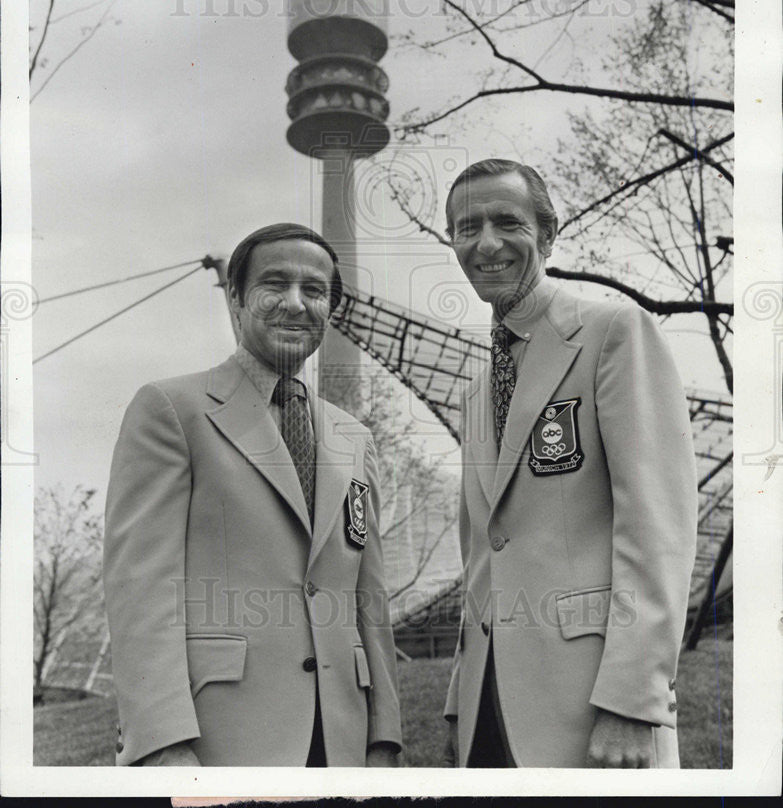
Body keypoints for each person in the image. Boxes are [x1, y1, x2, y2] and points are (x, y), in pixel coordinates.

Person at [104, 223, 401, 767]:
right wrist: (161, 741)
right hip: (220, 737)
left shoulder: (354, 438)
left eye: (314, 291)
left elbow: (368, 599)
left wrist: (384, 736)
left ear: (329, 309)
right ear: (237, 299)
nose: (295, 303)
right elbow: (140, 589)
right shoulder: (173, 409)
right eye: (274, 285)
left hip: (343, 741)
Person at [441, 159, 698, 768]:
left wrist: (634, 701)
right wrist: (460, 699)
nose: (487, 242)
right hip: (489, 706)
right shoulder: (476, 388)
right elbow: (483, 551)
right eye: (466, 227)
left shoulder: (614, 333)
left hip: (594, 708)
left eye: (508, 221)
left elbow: (657, 528)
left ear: (549, 233)